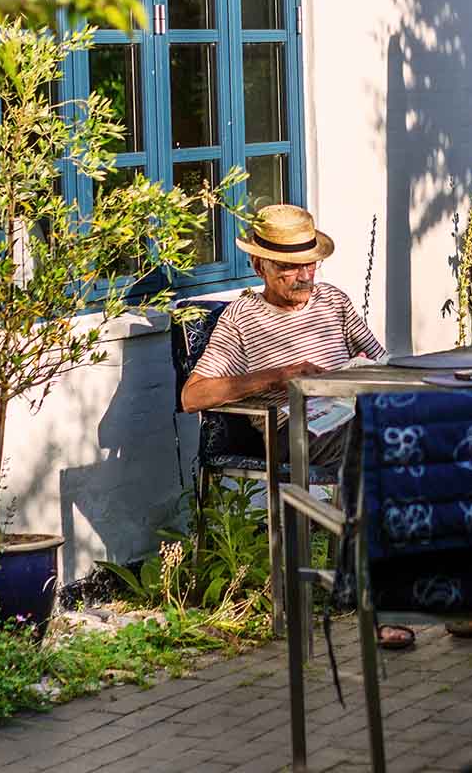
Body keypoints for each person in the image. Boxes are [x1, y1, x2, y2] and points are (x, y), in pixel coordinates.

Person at [180, 203, 415, 649]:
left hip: (351, 413)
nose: (304, 275)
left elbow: (380, 359)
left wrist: (367, 371)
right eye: (289, 268)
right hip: (293, 428)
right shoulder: (241, 318)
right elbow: (193, 396)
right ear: (259, 265)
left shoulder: (335, 302)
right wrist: (275, 375)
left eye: (309, 263)